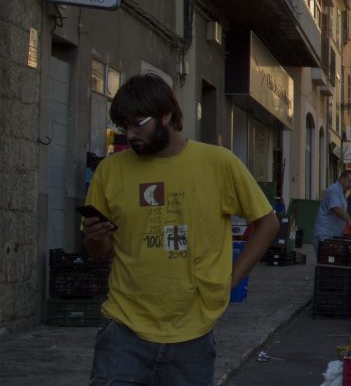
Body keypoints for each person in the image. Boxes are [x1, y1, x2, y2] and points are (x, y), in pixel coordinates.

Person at [82, 73, 279, 386]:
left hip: (193, 333)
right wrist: (96, 239)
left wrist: (231, 280)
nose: (131, 135)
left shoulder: (218, 163)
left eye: (138, 124)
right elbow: (99, 252)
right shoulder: (111, 171)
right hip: (123, 329)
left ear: (167, 115)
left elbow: (267, 223)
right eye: (125, 127)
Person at [315, 169, 351, 253]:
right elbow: (336, 208)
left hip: (333, 237)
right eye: (350, 182)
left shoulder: (341, 192)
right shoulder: (333, 190)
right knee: (326, 263)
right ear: (342, 179)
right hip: (325, 236)